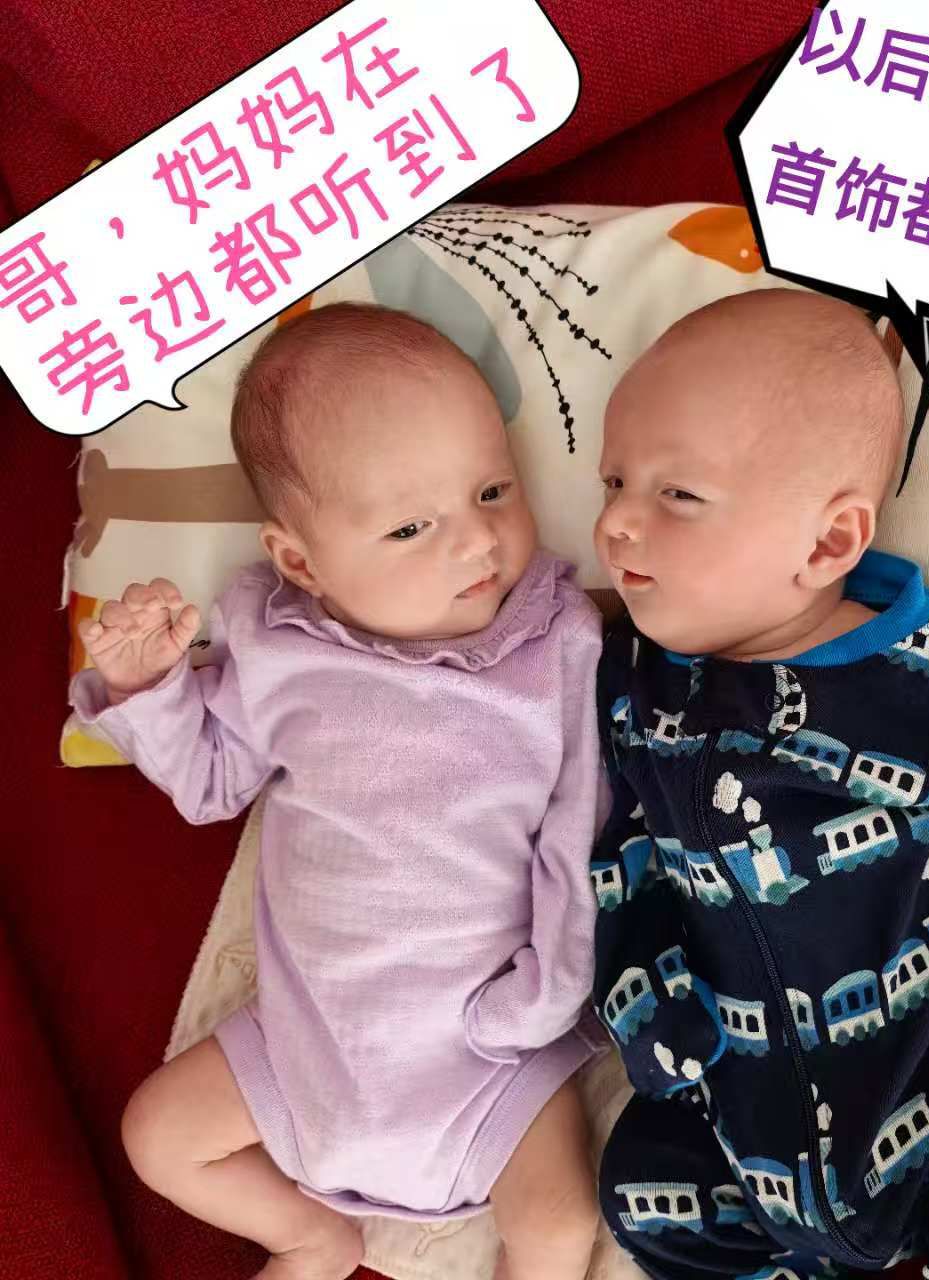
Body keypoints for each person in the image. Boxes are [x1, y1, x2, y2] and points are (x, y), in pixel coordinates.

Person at [590, 288, 929, 1280]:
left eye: (678, 496)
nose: (617, 522)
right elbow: (623, 853)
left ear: (826, 543)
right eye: (613, 480)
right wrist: (643, 990)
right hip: (737, 1096)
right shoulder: (638, 683)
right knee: (641, 1193)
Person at [71, 303, 603, 1280]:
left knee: (559, 1225)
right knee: (157, 1133)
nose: (477, 540)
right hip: (306, 1049)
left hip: (489, 1052)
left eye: (493, 490)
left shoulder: (551, 643)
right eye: (409, 526)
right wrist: (151, 686)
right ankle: (307, 1235)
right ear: (300, 561)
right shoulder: (280, 649)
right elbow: (209, 782)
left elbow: (576, 832)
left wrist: (550, 993)